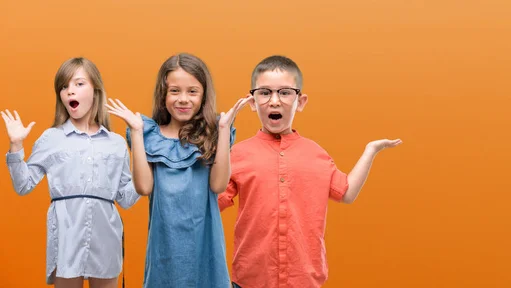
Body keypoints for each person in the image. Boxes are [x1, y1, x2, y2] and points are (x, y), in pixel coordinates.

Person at [219, 55, 402, 288]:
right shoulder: (238, 154)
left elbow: (346, 192)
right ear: (252, 102)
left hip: (304, 280)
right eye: (265, 92)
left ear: (301, 101)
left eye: (285, 92)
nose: (274, 101)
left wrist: (370, 150)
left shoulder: (316, 154)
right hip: (250, 280)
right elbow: (214, 201)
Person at [106, 53, 251, 288]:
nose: (183, 99)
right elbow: (144, 188)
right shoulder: (150, 135)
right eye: (175, 91)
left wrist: (223, 130)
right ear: (163, 95)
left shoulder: (213, 133)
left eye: (192, 91)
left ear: (203, 95)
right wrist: (136, 132)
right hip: (165, 249)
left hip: (206, 245)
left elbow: (218, 186)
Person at [2, 57, 140, 288]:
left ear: (95, 89)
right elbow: (23, 185)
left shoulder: (116, 143)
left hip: (107, 235)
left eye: (78, 84)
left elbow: (125, 199)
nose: (69, 91)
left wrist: (148, 166)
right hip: (66, 236)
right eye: (64, 87)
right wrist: (16, 146)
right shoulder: (51, 138)